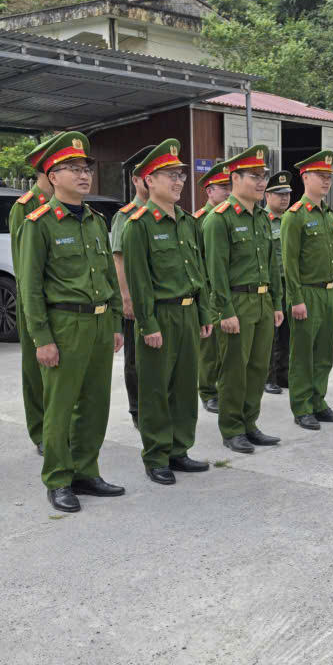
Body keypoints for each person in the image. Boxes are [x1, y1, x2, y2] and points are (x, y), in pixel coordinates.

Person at [18, 131, 126, 513]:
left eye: (86, 169)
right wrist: (41, 338)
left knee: (95, 404)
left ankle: (86, 471)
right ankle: (58, 478)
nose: (83, 175)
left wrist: (116, 322)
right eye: (73, 169)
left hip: (99, 324)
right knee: (60, 407)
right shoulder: (39, 223)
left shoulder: (96, 221)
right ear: (52, 176)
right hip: (64, 325)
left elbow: (109, 275)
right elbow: (30, 287)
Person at [122, 139, 214, 485]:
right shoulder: (138, 225)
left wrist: (204, 314)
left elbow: (199, 273)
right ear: (149, 180)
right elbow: (139, 281)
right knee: (156, 389)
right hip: (159, 316)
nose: (178, 181)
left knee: (185, 386)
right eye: (170, 175)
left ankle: (179, 448)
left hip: (188, 314)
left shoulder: (188, 222)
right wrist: (147, 324)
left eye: (180, 175)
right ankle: (157, 455)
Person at [203, 145, 285, 454]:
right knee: (234, 370)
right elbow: (215, 272)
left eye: (263, 176)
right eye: (255, 176)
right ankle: (232, 428)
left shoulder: (262, 218)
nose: (262, 182)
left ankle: (250, 423)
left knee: (258, 368)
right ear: (235, 178)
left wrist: (277, 303)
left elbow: (272, 264)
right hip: (236, 302)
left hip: (263, 303)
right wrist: (224, 311)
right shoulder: (219, 220)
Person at [281, 151, 333, 430]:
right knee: (303, 355)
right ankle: (302, 407)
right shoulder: (294, 216)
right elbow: (290, 263)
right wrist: (296, 299)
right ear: (305, 177)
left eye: (329, 177)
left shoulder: (330, 216)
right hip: (307, 294)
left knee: (323, 354)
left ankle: (318, 402)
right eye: (320, 176)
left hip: (329, 293)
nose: (326, 181)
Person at [8, 136, 55, 456]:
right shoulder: (25, 207)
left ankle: (61, 428)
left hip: (67, 306)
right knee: (36, 371)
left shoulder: (69, 206)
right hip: (35, 302)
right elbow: (23, 264)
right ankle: (40, 431)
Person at [111, 148, 153, 429]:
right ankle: (138, 409)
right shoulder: (126, 216)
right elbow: (119, 258)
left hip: (163, 299)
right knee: (136, 359)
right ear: (137, 180)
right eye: (147, 175)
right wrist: (126, 298)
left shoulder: (168, 213)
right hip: (137, 299)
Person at [194, 163, 232, 414]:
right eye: (223, 187)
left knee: (227, 345)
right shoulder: (199, 220)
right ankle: (208, 391)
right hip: (207, 289)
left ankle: (224, 387)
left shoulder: (230, 217)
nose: (228, 192)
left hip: (228, 288)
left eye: (230, 187)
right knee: (209, 346)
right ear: (209, 191)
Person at [264, 170, 293, 394]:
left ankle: (283, 374)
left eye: (287, 194)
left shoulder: (290, 220)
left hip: (289, 284)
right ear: (267, 196)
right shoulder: (262, 220)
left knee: (287, 333)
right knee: (270, 334)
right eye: (279, 194)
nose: (284, 198)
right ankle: (268, 377)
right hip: (270, 285)